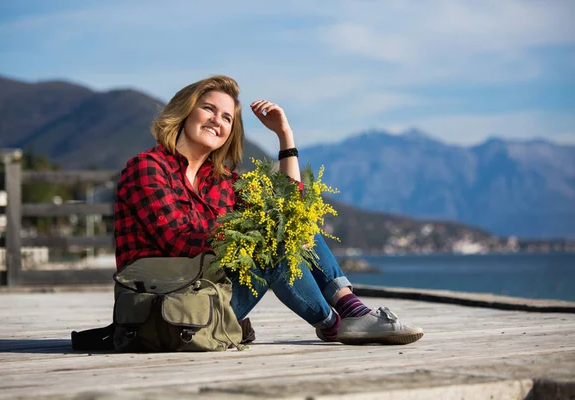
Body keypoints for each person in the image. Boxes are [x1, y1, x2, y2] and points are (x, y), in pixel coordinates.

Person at [114, 75, 423, 345]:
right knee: (271, 241)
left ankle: (352, 310)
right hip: (163, 308)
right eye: (208, 108)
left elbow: (292, 210)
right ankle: (337, 325)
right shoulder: (147, 168)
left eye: (227, 118)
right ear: (185, 111)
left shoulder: (222, 182)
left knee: (288, 225)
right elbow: (178, 242)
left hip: (209, 300)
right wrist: (258, 236)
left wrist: (284, 136)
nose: (216, 121)